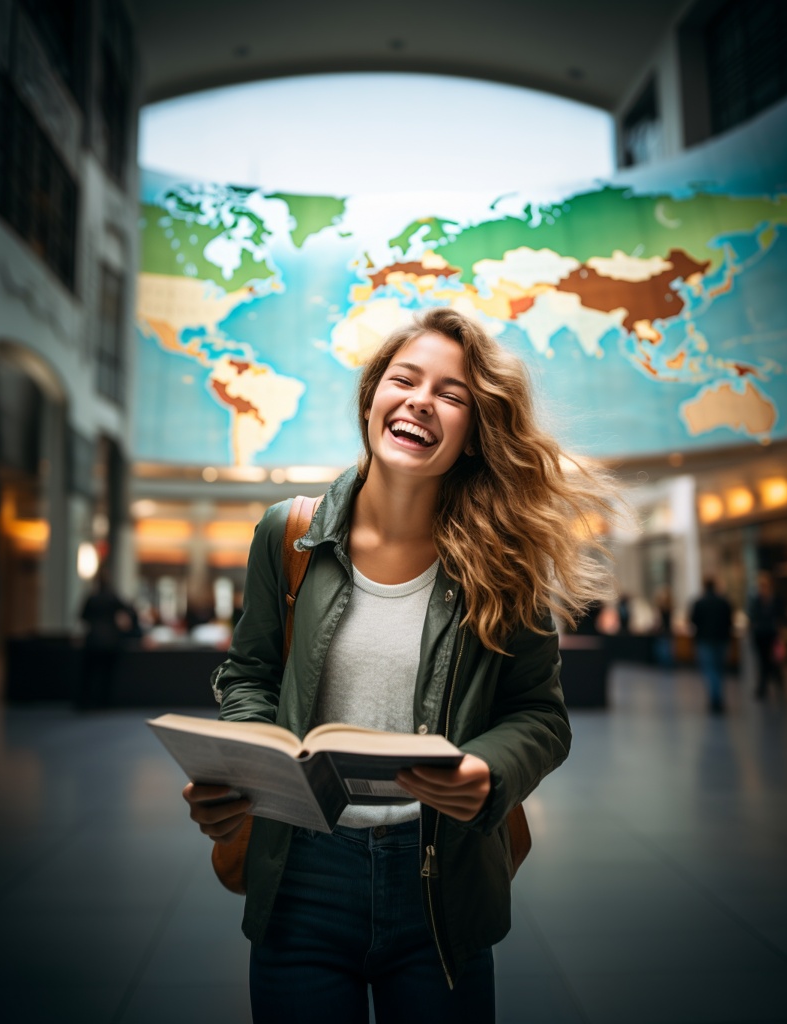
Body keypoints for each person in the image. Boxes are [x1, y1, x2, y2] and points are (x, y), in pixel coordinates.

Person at [181, 308, 616, 1023]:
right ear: (372, 399)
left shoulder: (505, 562)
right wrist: (250, 768)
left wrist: (489, 772)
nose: (420, 399)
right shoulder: (286, 534)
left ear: (475, 434)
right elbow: (248, 676)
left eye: (452, 394)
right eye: (404, 379)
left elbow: (539, 714)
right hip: (301, 873)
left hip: (442, 875)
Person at [77, 567, 138, 709]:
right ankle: (104, 702)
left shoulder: (92, 598)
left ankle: (84, 702)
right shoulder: (113, 598)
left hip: (93, 640)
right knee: (106, 674)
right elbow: (131, 610)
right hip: (111, 640)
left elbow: (82, 617)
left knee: (89, 673)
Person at [689, 577, 733, 714]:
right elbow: (729, 621)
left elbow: (693, 620)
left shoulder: (699, 603)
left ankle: (715, 699)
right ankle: (717, 698)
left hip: (705, 640)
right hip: (721, 640)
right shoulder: (724, 602)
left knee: (710, 669)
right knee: (719, 669)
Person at [748, 571, 787, 699]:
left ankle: (776, 682)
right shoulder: (755, 600)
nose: (762, 588)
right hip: (760, 634)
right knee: (763, 660)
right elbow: (752, 615)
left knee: (774, 660)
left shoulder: (776, 598)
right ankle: (763, 686)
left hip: (772, 633)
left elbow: (783, 614)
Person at [653, 585, 675, 668]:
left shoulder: (661, 608)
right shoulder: (670, 607)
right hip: (668, 631)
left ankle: (664, 665)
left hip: (662, 631)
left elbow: (658, 621)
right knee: (667, 650)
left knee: (663, 650)